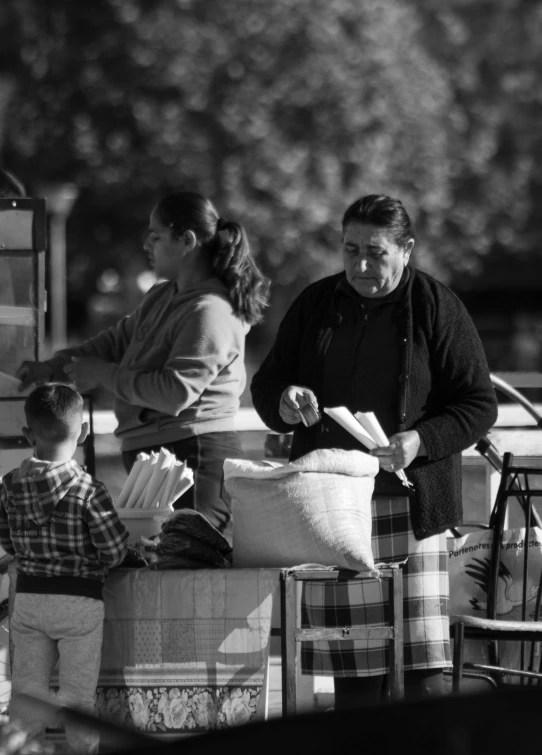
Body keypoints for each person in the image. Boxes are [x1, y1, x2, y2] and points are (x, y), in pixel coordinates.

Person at [251, 194, 498, 708]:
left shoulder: (437, 306)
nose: (361, 265)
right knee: (355, 677)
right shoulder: (315, 304)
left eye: (376, 252)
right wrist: (284, 399)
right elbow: (269, 383)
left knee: (423, 676)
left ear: (406, 249)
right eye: (350, 249)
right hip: (335, 514)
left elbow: (479, 405)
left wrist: (420, 440)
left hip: (412, 512)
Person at [17, 191, 270, 544]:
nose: (147, 244)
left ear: (187, 241)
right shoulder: (161, 296)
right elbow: (113, 343)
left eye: (156, 236)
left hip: (194, 461)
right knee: (160, 581)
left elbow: (175, 393)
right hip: (159, 462)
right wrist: (53, 368)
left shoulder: (211, 310)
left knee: (188, 580)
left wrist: (102, 375)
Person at [0, 383, 128, 753]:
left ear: (27, 435)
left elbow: (5, 538)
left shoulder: (9, 486)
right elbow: (113, 550)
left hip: (28, 601)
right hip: (79, 604)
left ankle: (23, 750)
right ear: (84, 431)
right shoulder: (89, 489)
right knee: (77, 699)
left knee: (28, 696)